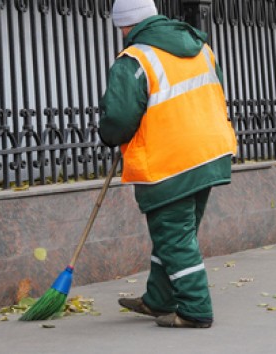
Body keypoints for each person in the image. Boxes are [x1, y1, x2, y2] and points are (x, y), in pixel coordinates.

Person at [98, 0, 237, 328]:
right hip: (210, 152)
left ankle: (195, 308)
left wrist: (110, 135)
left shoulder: (135, 59)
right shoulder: (201, 48)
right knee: (176, 234)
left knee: (174, 237)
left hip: (170, 162)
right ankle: (159, 299)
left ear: (125, 26)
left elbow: (118, 117)